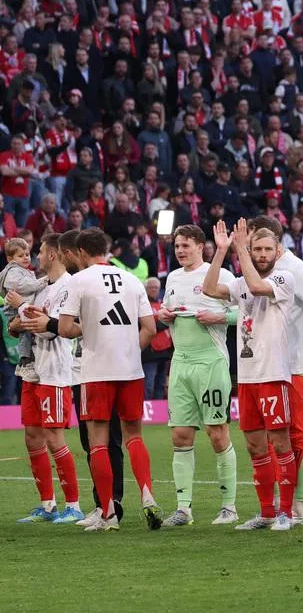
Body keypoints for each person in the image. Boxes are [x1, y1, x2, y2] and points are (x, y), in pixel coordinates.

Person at [40, 228, 161, 531]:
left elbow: (65, 328)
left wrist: (88, 329)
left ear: (81, 252)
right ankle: (147, 495)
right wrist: (130, 349)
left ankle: (108, 513)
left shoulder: (79, 281)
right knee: (133, 436)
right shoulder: (132, 280)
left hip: (96, 372)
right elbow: (149, 328)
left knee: (98, 444)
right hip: (131, 370)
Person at [202, 219, 299, 532]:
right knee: (255, 446)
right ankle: (267, 512)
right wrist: (220, 252)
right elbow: (209, 288)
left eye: (266, 249)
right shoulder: (240, 283)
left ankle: (286, 512)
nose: (261, 253)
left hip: (272, 373)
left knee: (281, 443)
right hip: (247, 377)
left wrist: (240, 249)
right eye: (256, 248)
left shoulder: (284, 278)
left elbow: (258, 286)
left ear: (276, 252)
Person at [156, 225, 240, 527]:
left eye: (186, 246)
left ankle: (229, 507)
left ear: (201, 247)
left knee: (217, 433)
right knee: (180, 434)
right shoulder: (173, 278)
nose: (180, 251)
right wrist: (163, 316)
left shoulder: (221, 275)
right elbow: (167, 312)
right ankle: (183, 509)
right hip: (181, 362)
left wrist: (220, 316)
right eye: (177, 246)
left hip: (211, 363)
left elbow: (245, 313)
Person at [9, 234, 83, 524]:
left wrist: (25, 316)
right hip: (32, 371)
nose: (36, 256)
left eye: (40, 251)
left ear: (53, 254)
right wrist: (23, 317)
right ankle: (48, 504)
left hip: (55, 371)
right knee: (32, 436)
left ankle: (74, 505)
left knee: (54, 438)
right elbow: (18, 325)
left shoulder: (68, 287)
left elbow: (53, 328)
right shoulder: (40, 288)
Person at [249, 215, 303, 526]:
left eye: (260, 242)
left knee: (296, 434)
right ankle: (277, 505)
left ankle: (298, 506)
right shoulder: (261, 269)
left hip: (291, 367)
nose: (256, 250)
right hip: (263, 367)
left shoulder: (298, 271)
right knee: (267, 437)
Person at [1, 237, 49, 380]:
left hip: (21, 306)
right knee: (25, 335)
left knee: (28, 334)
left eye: (27, 254)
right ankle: (25, 362)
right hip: (15, 309)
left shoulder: (21, 270)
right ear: (10, 259)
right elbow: (22, 286)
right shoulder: (13, 271)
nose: (25, 258)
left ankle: (24, 364)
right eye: (20, 256)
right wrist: (42, 282)